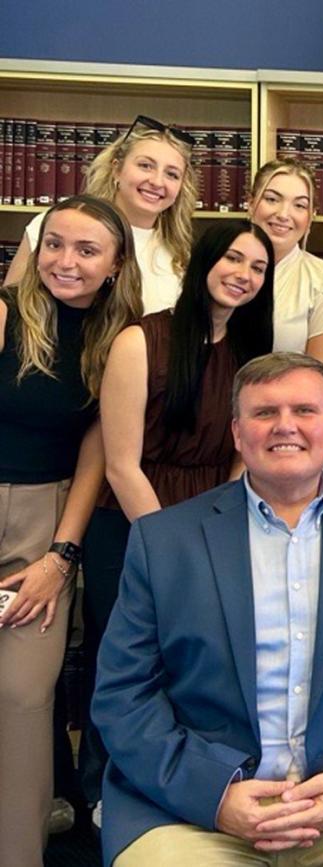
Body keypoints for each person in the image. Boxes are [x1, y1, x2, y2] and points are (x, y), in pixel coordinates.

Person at [91, 353, 323, 866]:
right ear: (238, 434)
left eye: (304, 410)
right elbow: (123, 694)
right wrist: (216, 797)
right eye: (265, 413)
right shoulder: (164, 540)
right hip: (200, 808)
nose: (285, 425)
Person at [79, 220, 275, 816]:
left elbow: (243, 459)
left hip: (214, 521)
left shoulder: (250, 357)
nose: (243, 274)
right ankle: (102, 787)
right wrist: (172, 544)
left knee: (198, 659)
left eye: (258, 268)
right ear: (204, 262)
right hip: (135, 522)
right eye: (233, 259)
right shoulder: (142, 340)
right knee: (123, 658)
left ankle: (184, 780)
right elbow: (119, 463)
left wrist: (222, 530)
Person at [0, 195, 141, 867]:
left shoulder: (119, 341)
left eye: (87, 250)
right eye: (54, 244)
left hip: (44, 522)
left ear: (116, 265)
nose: (65, 261)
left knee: (24, 695)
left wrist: (62, 553)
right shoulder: (3, 312)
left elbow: (99, 454)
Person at [3, 114, 197, 315]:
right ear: (116, 170)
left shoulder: (181, 253)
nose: (157, 182)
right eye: (145, 165)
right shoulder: (54, 225)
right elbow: (9, 311)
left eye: (172, 174)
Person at [248, 158, 323, 372]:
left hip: (287, 403)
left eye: (299, 205)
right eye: (272, 199)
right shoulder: (216, 266)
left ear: (310, 216)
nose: (283, 214)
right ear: (250, 204)